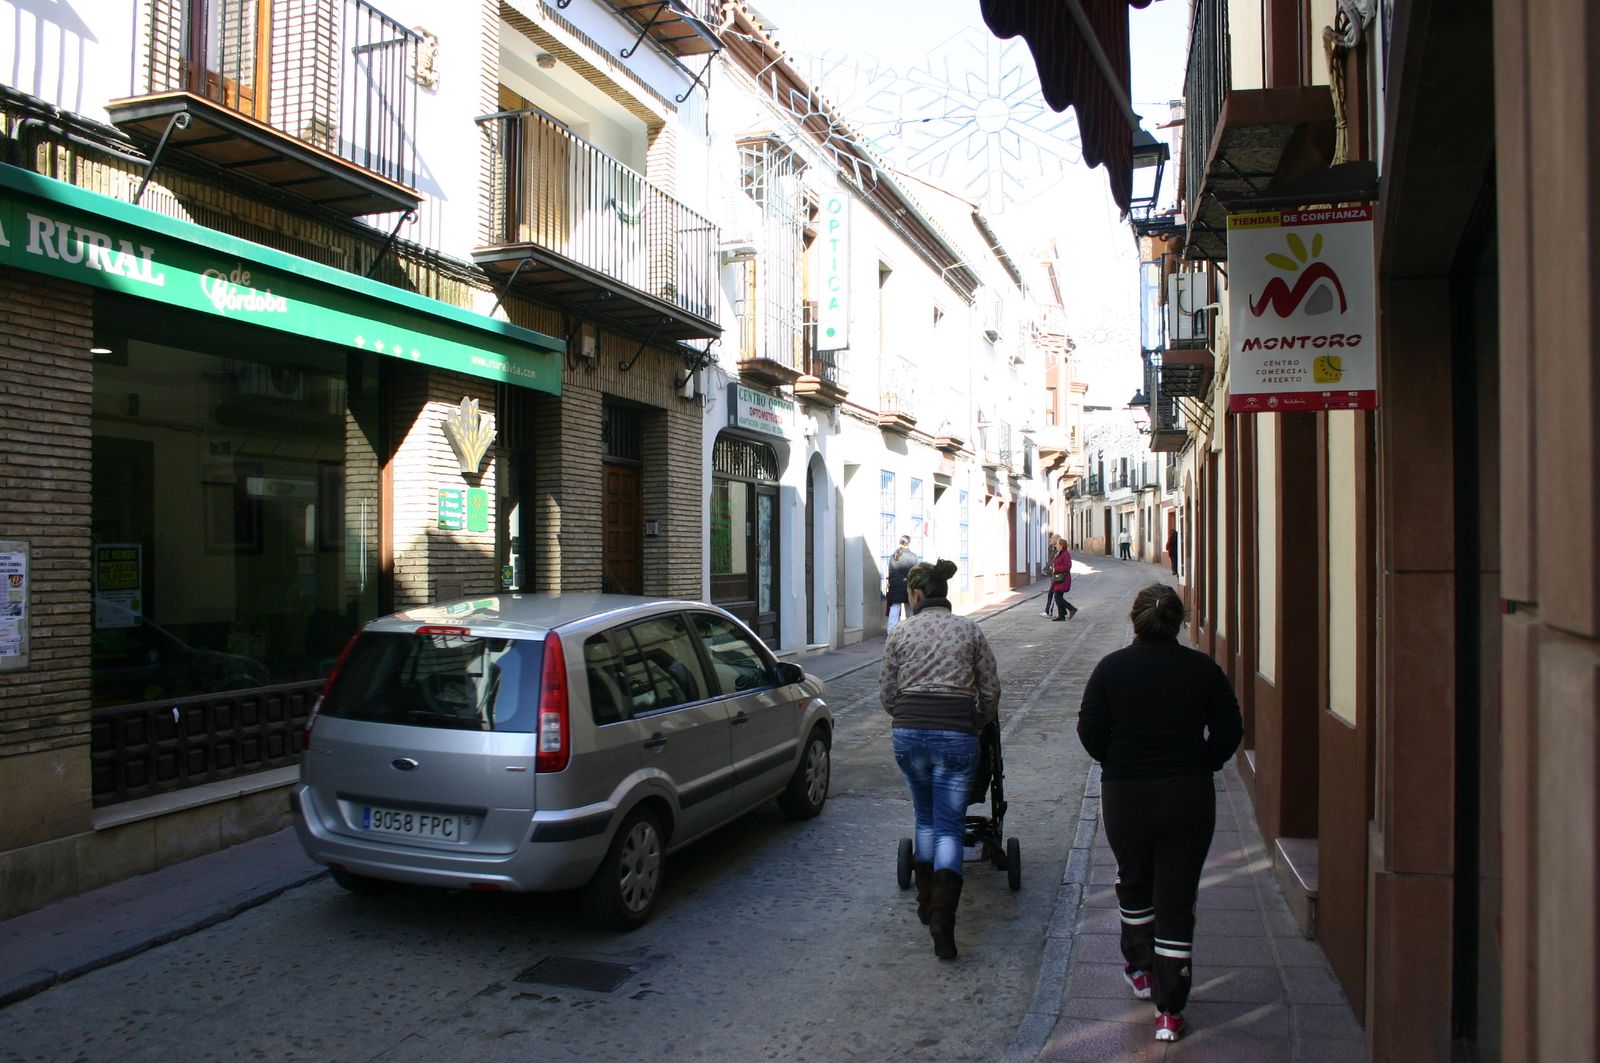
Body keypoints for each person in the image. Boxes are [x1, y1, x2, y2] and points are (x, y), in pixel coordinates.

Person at [1076, 584, 1243, 1043]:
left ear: (1135, 621)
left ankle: (1141, 970)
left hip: (1125, 794)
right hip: (1187, 794)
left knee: (1134, 880)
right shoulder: (1201, 668)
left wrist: (1118, 758)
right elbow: (1230, 728)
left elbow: (1089, 730)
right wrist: (1203, 760)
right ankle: (1170, 1010)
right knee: (1176, 894)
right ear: (1180, 622)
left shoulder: (1111, 668)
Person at [880, 558, 1001, 960]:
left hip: (910, 735)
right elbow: (990, 688)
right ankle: (943, 922)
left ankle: (925, 903)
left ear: (915, 595)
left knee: (925, 817)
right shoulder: (970, 630)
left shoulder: (901, 632)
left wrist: (908, 718)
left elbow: (887, 693)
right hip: (956, 736)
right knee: (950, 826)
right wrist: (977, 722)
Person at [885, 535, 919, 631]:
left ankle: (891, 631)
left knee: (895, 609)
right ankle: (912, 631)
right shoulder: (913, 556)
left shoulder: (894, 556)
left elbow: (891, 573)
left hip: (896, 587)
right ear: (909, 543)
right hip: (909, 586)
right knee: (910, 610)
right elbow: (915, 573)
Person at [1050, 538, 1078, 621]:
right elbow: (1055, 563)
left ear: (1061, 545)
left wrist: (1056, 569)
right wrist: (1052, 567)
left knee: (1058, 597)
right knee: (1058, 597)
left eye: (1057, 544)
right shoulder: (1060, 553)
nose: (1056, 545)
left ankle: (1071, 608)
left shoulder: (1065, 554)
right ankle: (1062, 615)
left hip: (1063, 579)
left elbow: (1067, 566)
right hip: (1058, 578)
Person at [1042, 535, 1060, 617]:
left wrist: (1054, 569)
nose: (1050, 539)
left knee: (1052, 594)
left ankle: (1048, 612)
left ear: (1056, 540)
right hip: (1054, 575)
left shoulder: (1058, 551)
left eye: (1052, 538)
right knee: (1059, 596)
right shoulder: (1052, 549)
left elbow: (1058, 563)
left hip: (1057, 576)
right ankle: (1064, 611)